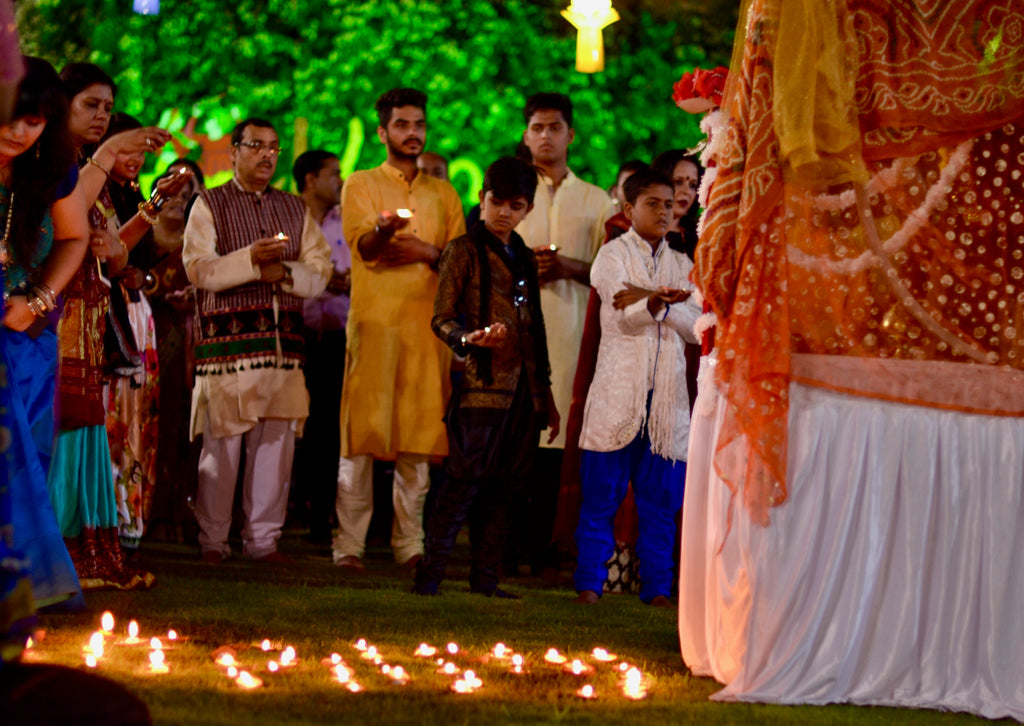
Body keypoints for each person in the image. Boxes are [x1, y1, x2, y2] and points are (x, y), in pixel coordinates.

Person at [183, 118, 332, 564]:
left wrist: (283, 273)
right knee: (222, 449)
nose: (267, 155)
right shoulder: (209, 204)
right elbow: (198, 267)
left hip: (282, 350)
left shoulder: (294, 207)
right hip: (227, 352)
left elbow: (320, 269)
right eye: (256, 146)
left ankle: (263, 541)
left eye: (273, 148)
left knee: (275, 448)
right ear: (233, 152)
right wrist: (251, 260)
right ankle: (213, 540)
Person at [49, 62, 173, 590]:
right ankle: (53, 554)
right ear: (62, 105)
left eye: (107, 108)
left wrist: (142, 220)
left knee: (84, 429)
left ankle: (88, 551)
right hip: (49, 323)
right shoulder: (48, 163)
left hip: (91, 320)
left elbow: (111, 254)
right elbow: (67, 222)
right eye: (89, 105)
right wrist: (108, 151)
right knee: (56, 431)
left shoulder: (83, 166)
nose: (101, 116)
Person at [413, 157, 558, 598]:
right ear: (482, 198)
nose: (504, 213)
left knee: (510, 489)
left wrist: (545, 393)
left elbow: (535, 327)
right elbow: (440, 318)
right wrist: (467, 338)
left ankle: (485, 580)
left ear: (527, 210)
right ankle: (430, 578)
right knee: (462, 483)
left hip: (525, 391)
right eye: (497, 202)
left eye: (515, 206)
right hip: (481, 383)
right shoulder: (463, 250)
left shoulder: (525, 257)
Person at [334, 88, 465, 571]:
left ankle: (409, 546)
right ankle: (349, 546)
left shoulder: (443, 193)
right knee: (361, 438)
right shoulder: (360, 185)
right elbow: (366, 249)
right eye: (403, 125)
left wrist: (427, 253)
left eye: (419, 125)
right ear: (382, 131)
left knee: (417, 441)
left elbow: (458, 261)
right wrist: (386, 231)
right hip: (373, 329)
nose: (413, 134)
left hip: (424, 332)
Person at [572, 169, 700, 607]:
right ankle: (589, 582)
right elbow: (623, 312)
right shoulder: (611, 256)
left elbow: (697, 327)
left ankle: (658, 589)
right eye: (653, 203)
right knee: (601, 497)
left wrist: (653, 302)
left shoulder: (683, 264)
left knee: (661, 503)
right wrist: (664, 302)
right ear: (628, 210)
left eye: (669, 204)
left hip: (666, 402)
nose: (664, 211)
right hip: (618, 394)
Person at [511, 92, 614, 577]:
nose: (546, 136)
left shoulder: (597, 200)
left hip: (574, 335)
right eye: (537, 128)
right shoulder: (509, 194)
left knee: (560, 445)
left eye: (554, 127)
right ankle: (512, 546)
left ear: (571, 134)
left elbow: (613, 272)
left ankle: (554, 547)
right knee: (518, 442)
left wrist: (571, 266)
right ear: (525, 135)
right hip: (519, 335)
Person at [1, 56, 89, 610]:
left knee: (23, 460)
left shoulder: (52, 165)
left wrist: (36, 301)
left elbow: (74, 238)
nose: (18, 132)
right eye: (11, 118)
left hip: (23, 334)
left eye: (33, 122)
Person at [290, 149, 350, 546]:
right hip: (294, 334)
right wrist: (323, 280)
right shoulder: (286, 217)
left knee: (329, 429)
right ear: (310, 179)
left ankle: (320, 520)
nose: (340, 181)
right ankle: (285, 512)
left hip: (338, 338)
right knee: (287, 427)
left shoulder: (348, 219)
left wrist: (344, 280)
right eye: (334, 174)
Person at [145, 162, 203, 542]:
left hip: (195, 346)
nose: (178, 202)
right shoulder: (140, 239)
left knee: (190, 432)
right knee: (155, 428)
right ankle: (149, 514)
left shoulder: (201, 244)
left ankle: (184, 515)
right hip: (151, 344)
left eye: (187, 196)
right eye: (172, 193)